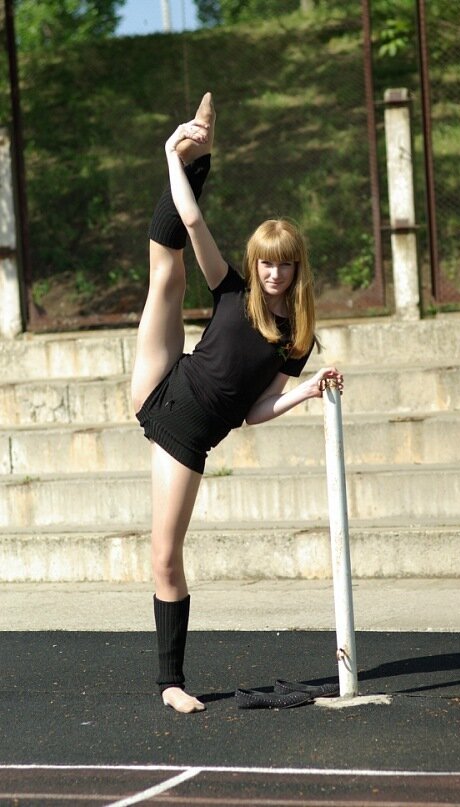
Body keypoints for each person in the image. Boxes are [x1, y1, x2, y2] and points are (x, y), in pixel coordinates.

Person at [131, 92, 344, 714]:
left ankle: (171, 681)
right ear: (256, 264)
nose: (273, 275)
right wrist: (174, 156)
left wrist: (305, 390)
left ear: (297, 270)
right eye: (266, 265)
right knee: (167, 269)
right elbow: (193, 222)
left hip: (189, 434)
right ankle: (197, 152)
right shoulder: (231, 289)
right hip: (165, 383)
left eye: (284, 266)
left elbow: (254, 412)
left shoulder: (295, 340)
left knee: (165, 556)